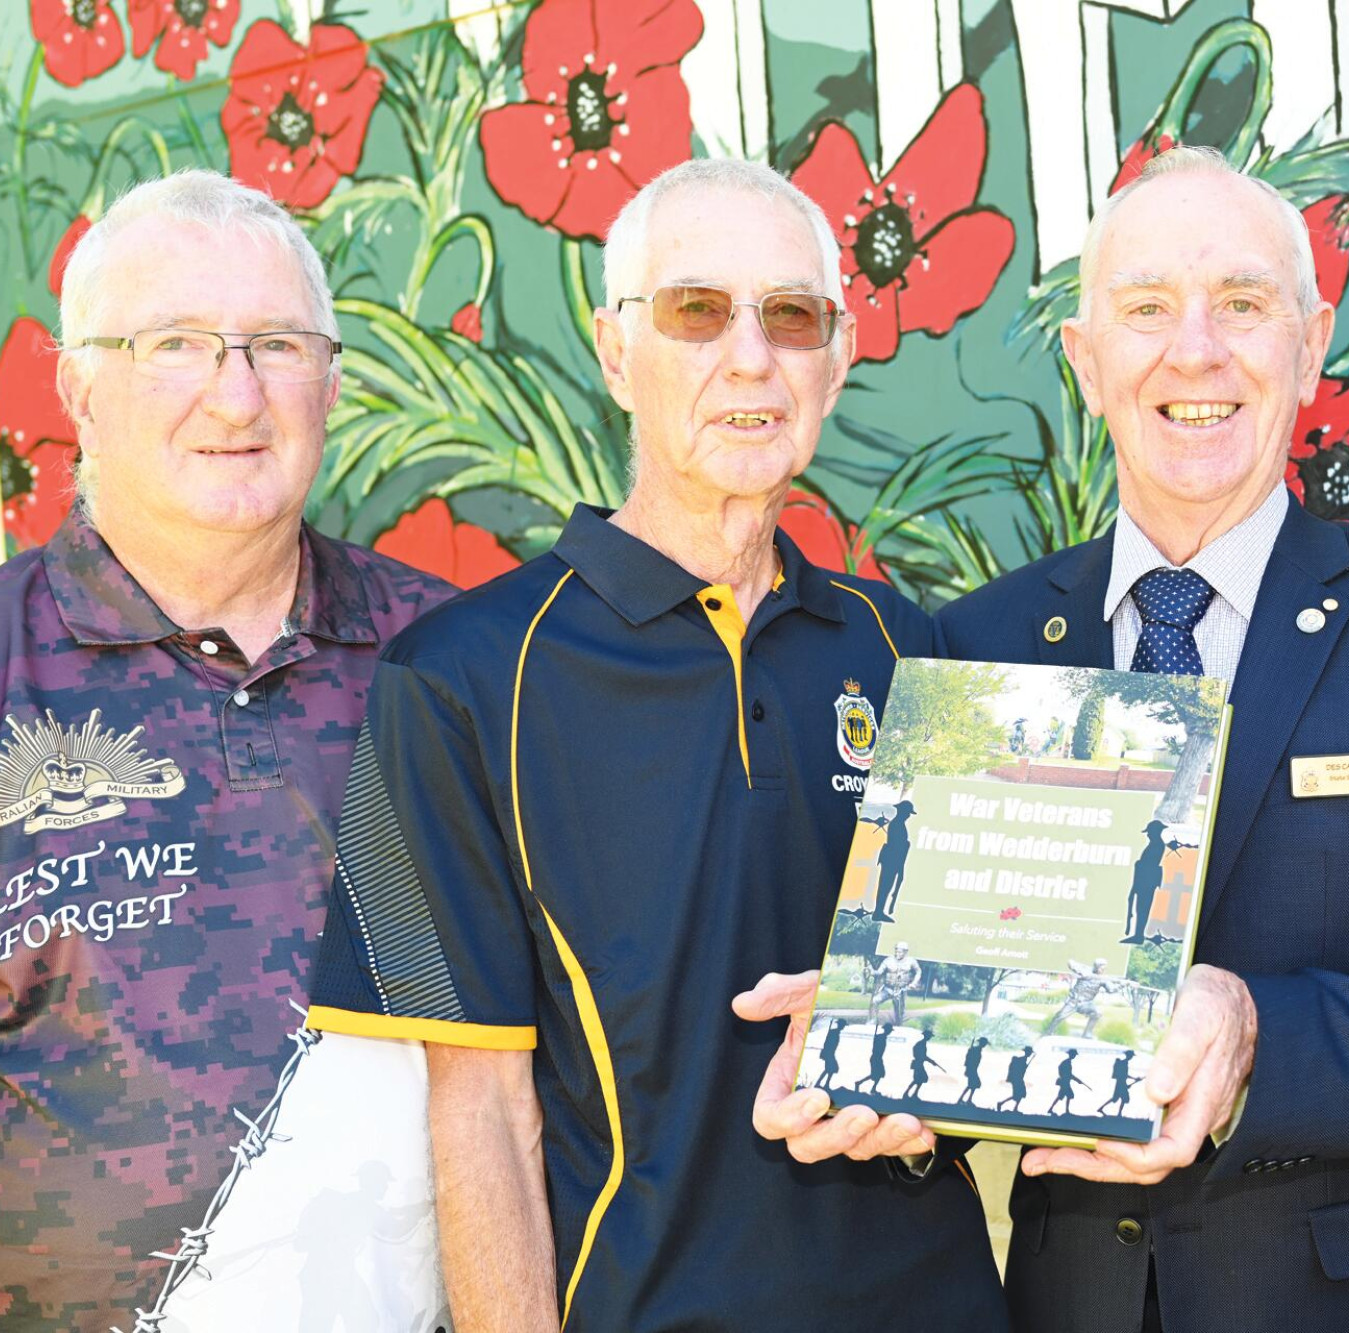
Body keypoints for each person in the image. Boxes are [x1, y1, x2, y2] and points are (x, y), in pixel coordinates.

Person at [305, 158, 1005, 1333]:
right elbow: (475, 1112)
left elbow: (979, 1023)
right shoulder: (452, 678)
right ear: (613, 349)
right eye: (696, 311)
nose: (749, 358)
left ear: (835, 362)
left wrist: (934, 1072)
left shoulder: (909, 647)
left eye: (791, 318)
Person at [937, 145, 1349, 1331]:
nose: (1194, 350)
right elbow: (964, 1007)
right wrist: (870, 1040)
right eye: (1146, 309)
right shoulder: (980, 643)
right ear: (1085, 361)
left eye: (1243, 305)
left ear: (1310, 347)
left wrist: (1254, 1033)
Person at [0, 170, 454, 1332]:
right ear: (81, 388)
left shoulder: (458, 661)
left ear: (334, 381)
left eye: (277, 345)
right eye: (177, 344)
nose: (235, 394)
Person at [1040, 956, 1120, 1037]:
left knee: (1097, 1013)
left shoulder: (1103, 978)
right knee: (1059, 1016)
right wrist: (1082, 972)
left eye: (1104, 969)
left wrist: (1121, 985)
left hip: (1086, 1004)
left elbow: (1111, 990)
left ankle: (1087, 1033)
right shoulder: (1085, 970)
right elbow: (1070, 962)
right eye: (1101, 968)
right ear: (1096, 966)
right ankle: (1048, 1032)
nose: (1102, 971)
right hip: (1073, 1001)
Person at [868, 939, 921, 1027]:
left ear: (905, 952)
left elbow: (918, 971)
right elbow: (879, 972)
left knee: (899, 1012)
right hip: (888, 989)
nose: (898, 954)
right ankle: (872, 1021)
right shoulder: (888, 960)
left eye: (900, 952)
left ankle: (898, 1026)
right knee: (875, 1001)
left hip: (901, 990)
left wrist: (914, 983)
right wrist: (872, 972)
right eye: (896, 951)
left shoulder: (911, 961)